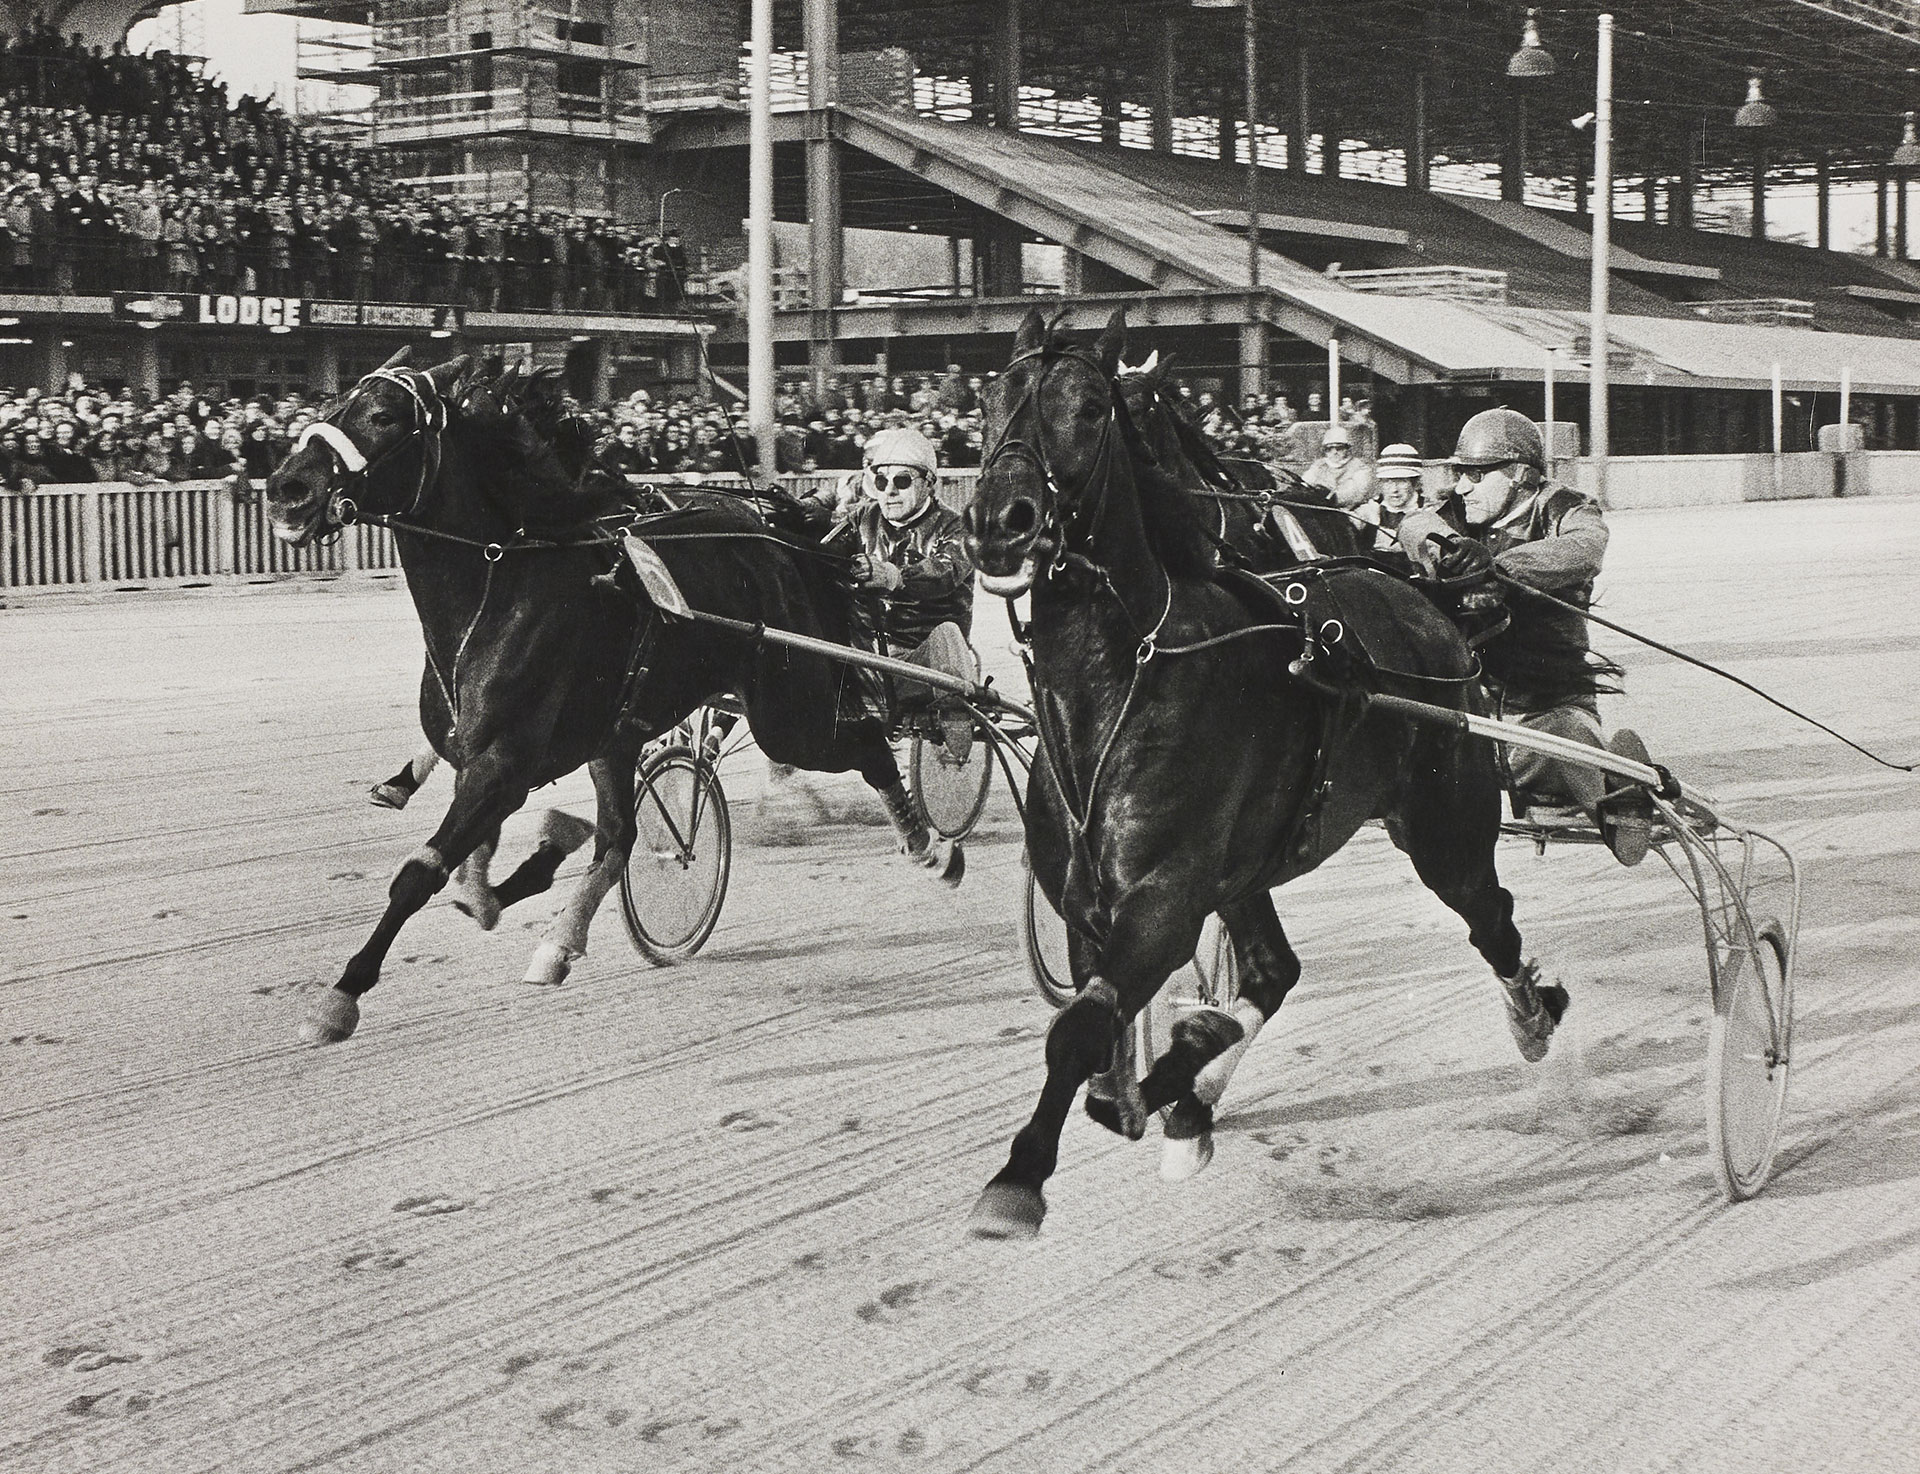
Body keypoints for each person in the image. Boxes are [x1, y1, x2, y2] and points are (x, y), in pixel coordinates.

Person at [1398, 407, 1653, 865]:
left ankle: (1622, 792)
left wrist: (1499, 568)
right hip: (1470, 711)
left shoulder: (1567, 508)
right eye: (1459, 474)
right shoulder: (1454, 511)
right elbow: (1415, 525)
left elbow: (1585, 549)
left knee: (1562, 742)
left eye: (1476, 474)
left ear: (1518, 473)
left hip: (1546, 704)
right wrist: (1452, 549)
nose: (1462, 486)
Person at [1365, 442, 1425, 555]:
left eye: (1402, 481)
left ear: (1416, 483)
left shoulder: (1429, 511)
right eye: (1387, 482)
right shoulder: (1370, 511)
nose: (1394, 490)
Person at [1303, 423, 1374, 510]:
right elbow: (1305, 482)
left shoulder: (1359, 466)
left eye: (1339, 448)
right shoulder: (1319, 466)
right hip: (1323, 509)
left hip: (1351, 511)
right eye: (1329, 449)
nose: (1334, 452)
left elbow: (1359, 493)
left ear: (1347, 449)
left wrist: (1332, 497)